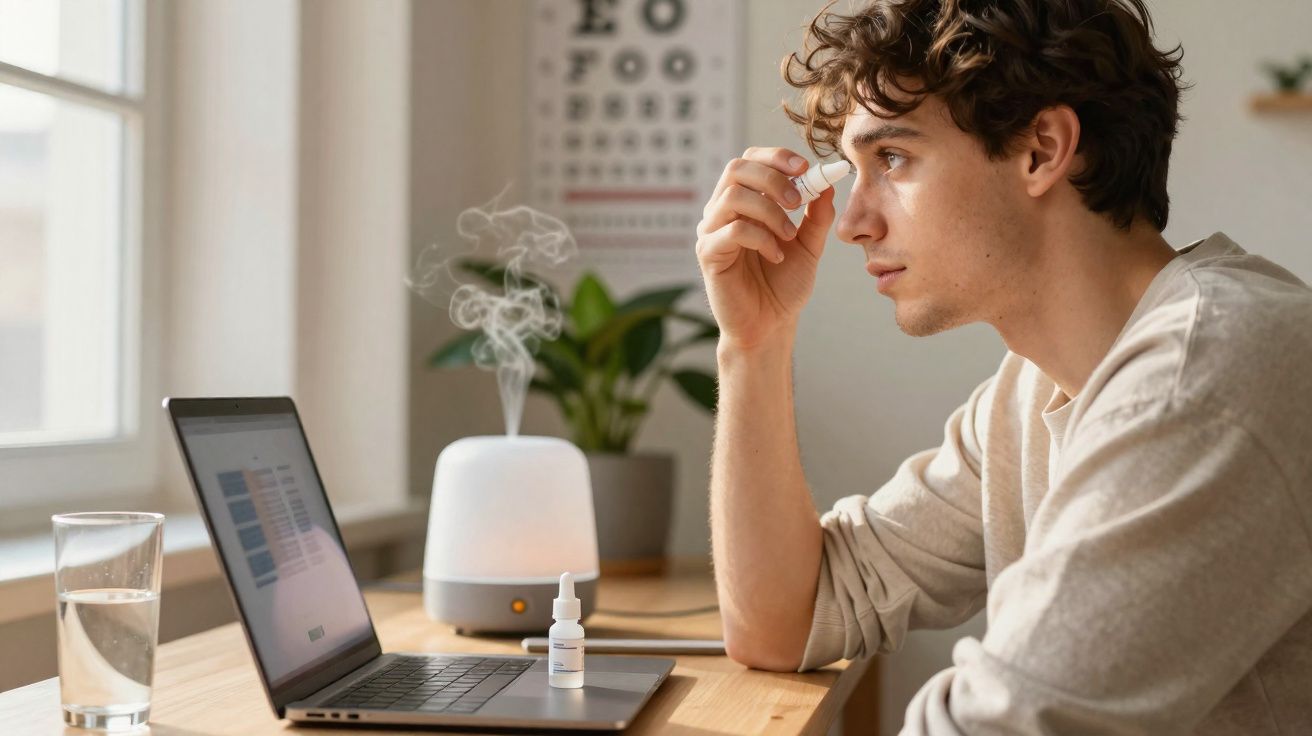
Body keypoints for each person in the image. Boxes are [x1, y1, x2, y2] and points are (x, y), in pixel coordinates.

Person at [696, 0, 1312, 733]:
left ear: (1042, 149)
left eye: (891, 158)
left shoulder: (1206, 374)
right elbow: (786, 622)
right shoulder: (1032, 390)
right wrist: (754, 344)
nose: (854, 222)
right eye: (853, 169)